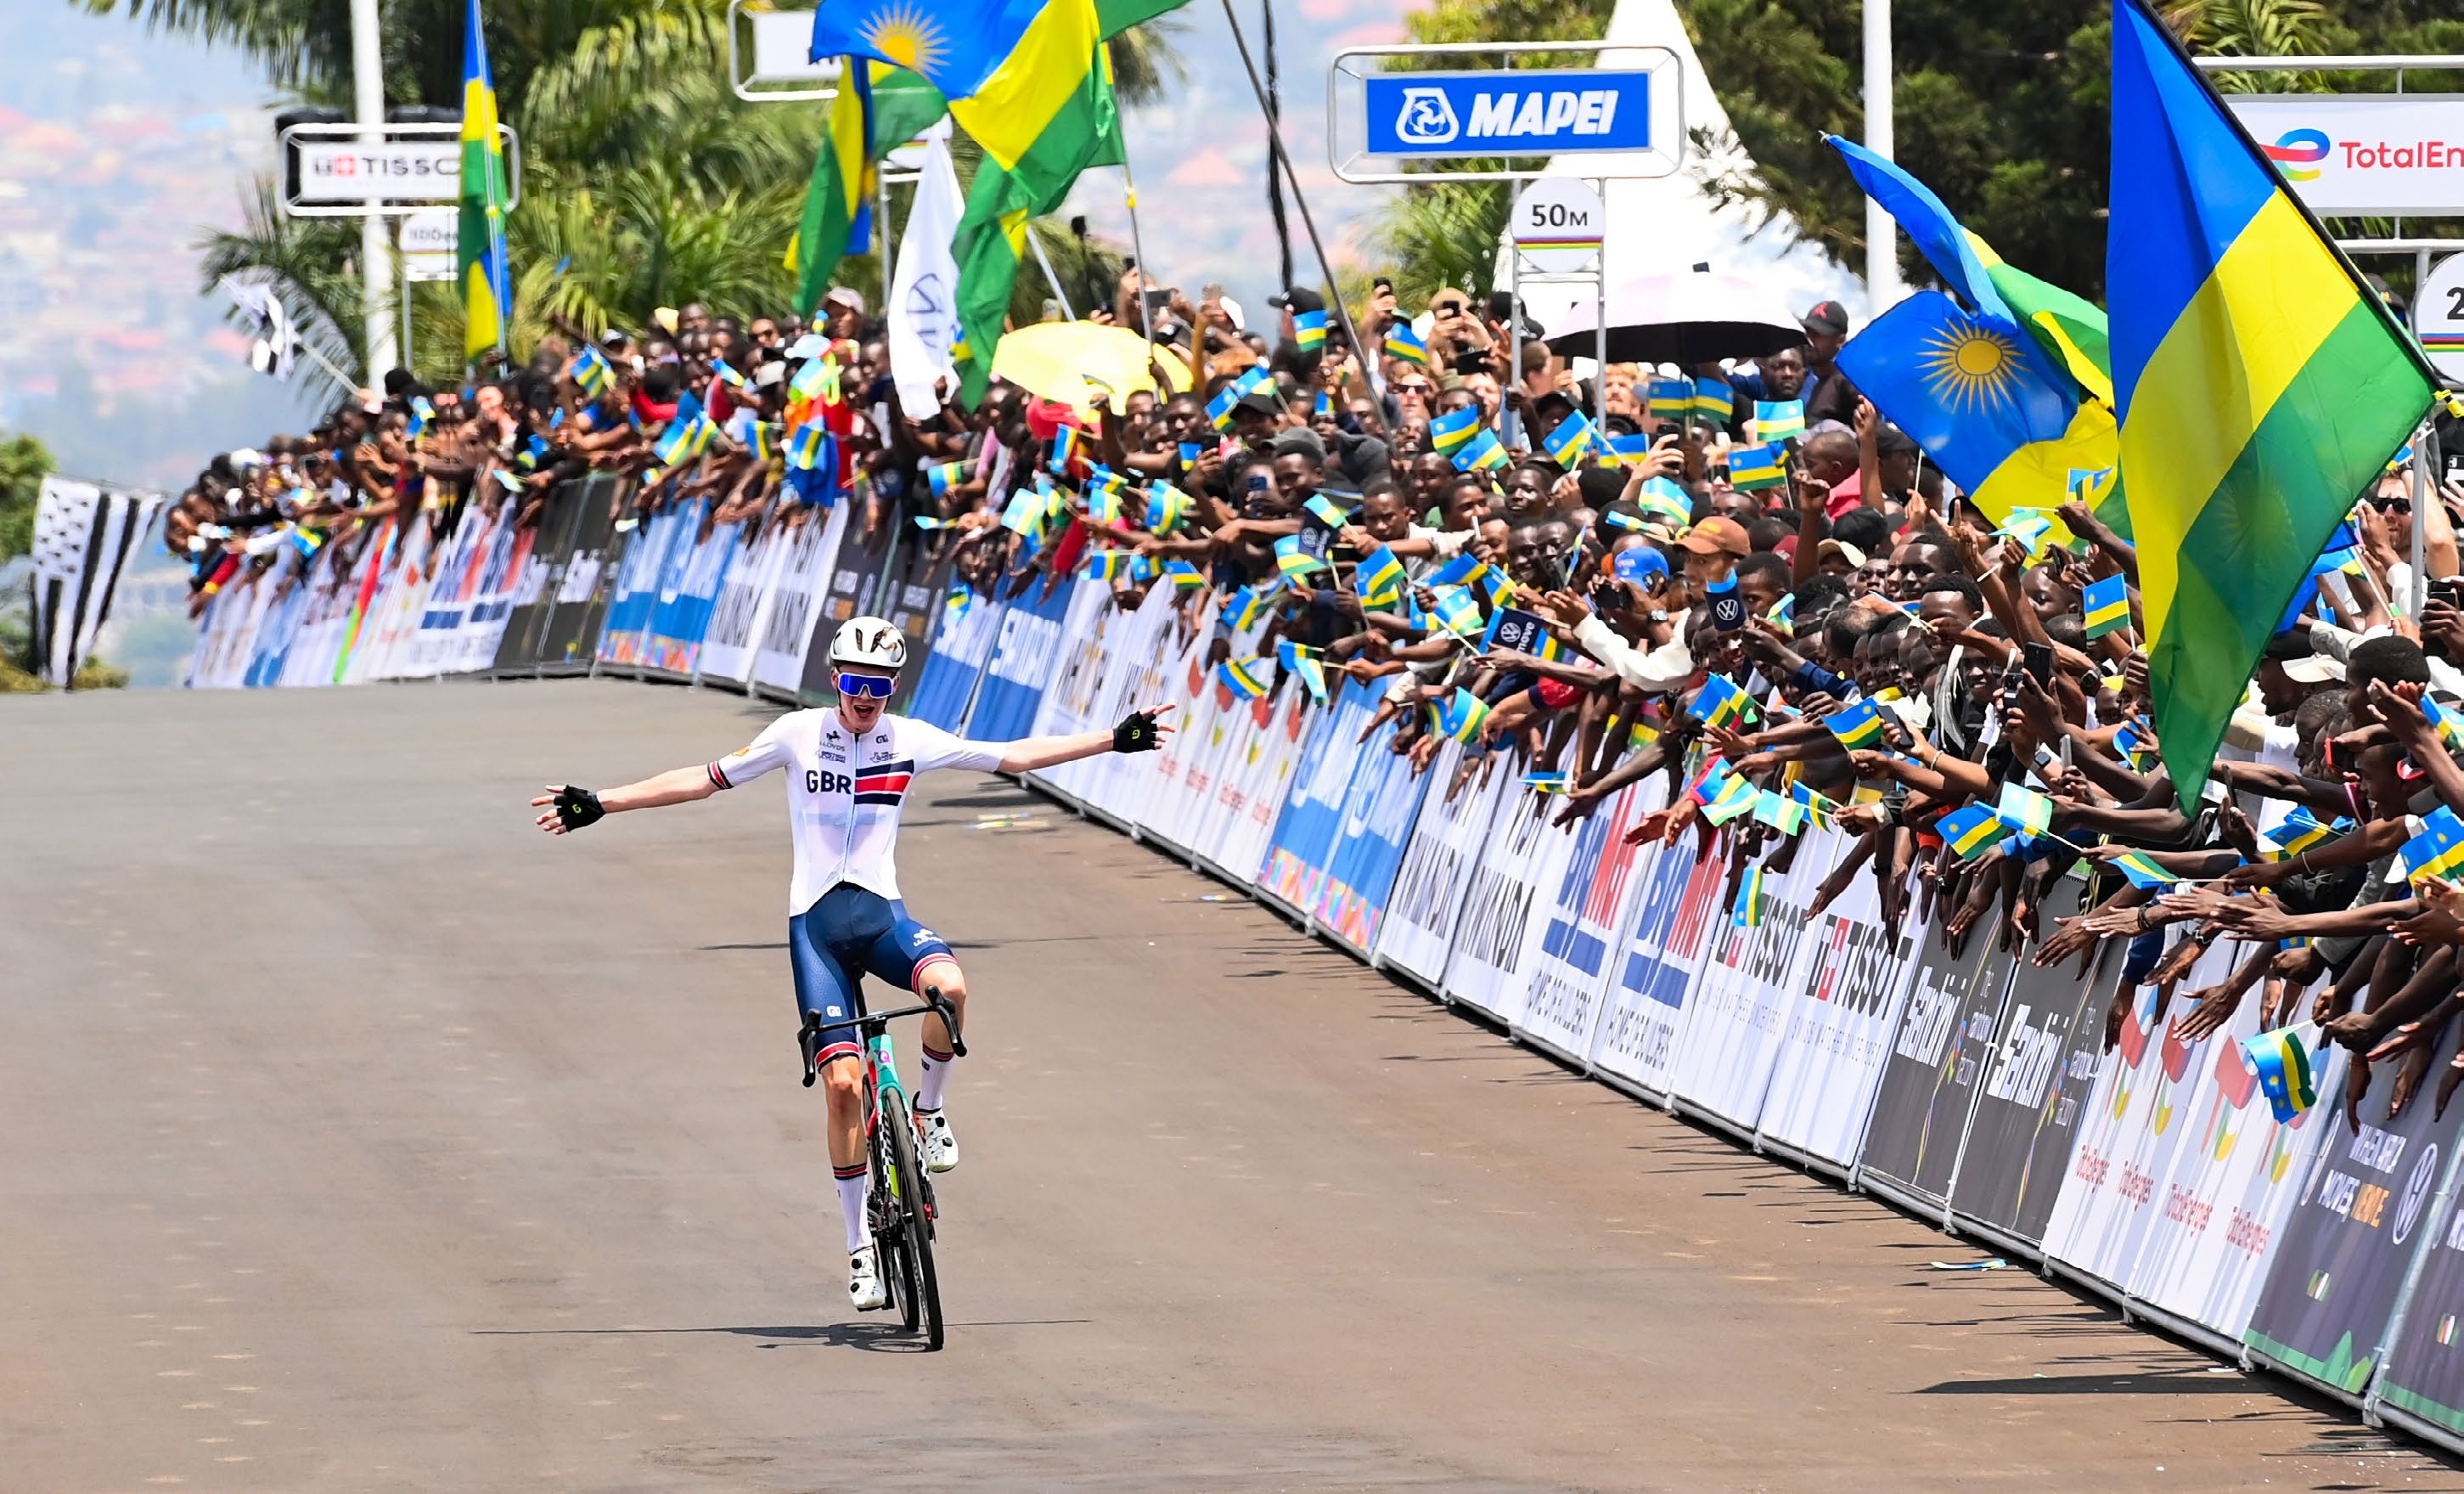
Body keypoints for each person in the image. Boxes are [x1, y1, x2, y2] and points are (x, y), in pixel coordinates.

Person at [530, 617, 1174, 1311]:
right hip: (817, 931)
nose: (866, 697)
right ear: (836, 677)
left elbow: (1012, 756)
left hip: (882, 919)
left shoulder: (912, 739)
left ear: (894, 687)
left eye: (880, 686)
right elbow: (705, 778)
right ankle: (858, 1249)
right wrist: (605, 801)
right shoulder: (796, 733)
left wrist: (1114, 738)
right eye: (855, 682)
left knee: (950, 988)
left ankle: (929, 1112)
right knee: (841, 1086)